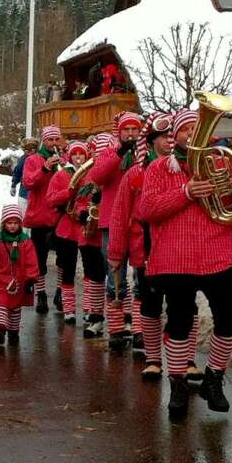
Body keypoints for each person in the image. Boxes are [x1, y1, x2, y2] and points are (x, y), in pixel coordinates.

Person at [141, 109, 232, 419]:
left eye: (197, 127)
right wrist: (186, 192)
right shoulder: (158, 169)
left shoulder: (222, 161)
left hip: (217, 253)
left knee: (229, 322)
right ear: (174, 136)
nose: (192, 133)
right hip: (176, 258)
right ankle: (178, 384)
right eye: (186, 129)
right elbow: (148, 209)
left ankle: (213, 379)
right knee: (179, 323)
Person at [109, 113, 174, 379]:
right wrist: (115, 252)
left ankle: (184, 361)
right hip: (145, 249)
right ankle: (153, 356)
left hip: (180, 249)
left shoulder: (187, 169)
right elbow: (120, 213)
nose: (169, 142)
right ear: (151, 141)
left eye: (172, 136)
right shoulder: (135, 174)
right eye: (163, 137)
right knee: (149, 302)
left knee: (183, 305)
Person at [90, 111, 143, 349]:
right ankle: (116, 328)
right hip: (112, 221)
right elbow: (98, 176)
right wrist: (120, 152)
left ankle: (140, 328)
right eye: (126, 130)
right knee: (115, 277)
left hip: (140, 220)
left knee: (142, 276)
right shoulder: (110, 152)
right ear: (119, 132)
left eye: (134, 130)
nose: (131, 134)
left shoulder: (146, 153)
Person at [46, 140, 103, 329]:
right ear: (70, 157)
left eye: (81, 154)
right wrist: (69, 191)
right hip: (67, 229)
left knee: (89, 271)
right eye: (75, 155)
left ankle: (88, 308)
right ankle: (69, 310)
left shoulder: (93, 173)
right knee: (68, 271)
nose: (79, 158)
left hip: (87, 227)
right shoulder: (61, 175)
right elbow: (51, 199)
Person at [0, 204, 39, 344]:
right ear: (4, 223)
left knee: (15, 310)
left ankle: (13, 332)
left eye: (16, 223)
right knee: (0, 306)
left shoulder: (25, 241)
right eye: (9, 223)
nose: (12, 226)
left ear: (20, 224)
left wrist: (31, 279)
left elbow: (31, 261)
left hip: (18, 282)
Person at [21, 125, 66, 314]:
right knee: (40, 259)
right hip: (40, 217)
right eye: (50, 140)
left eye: (57, 140)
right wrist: (45, 168)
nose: (54, 143)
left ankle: (60, 292)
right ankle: (41, 295)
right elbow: (28, 182)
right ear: (44, 141)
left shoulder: (64, 160)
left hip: (60, 217)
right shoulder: (33, 159)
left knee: (64, 259)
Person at [11, 137, 38, 217]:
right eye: (26, 149)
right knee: (24, 216)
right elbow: (17, 172)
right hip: (24, 193)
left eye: (31, 149)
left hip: (36, 194)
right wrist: (13, 185)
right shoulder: (23, 159)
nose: (29, 152)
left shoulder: (40, 158)